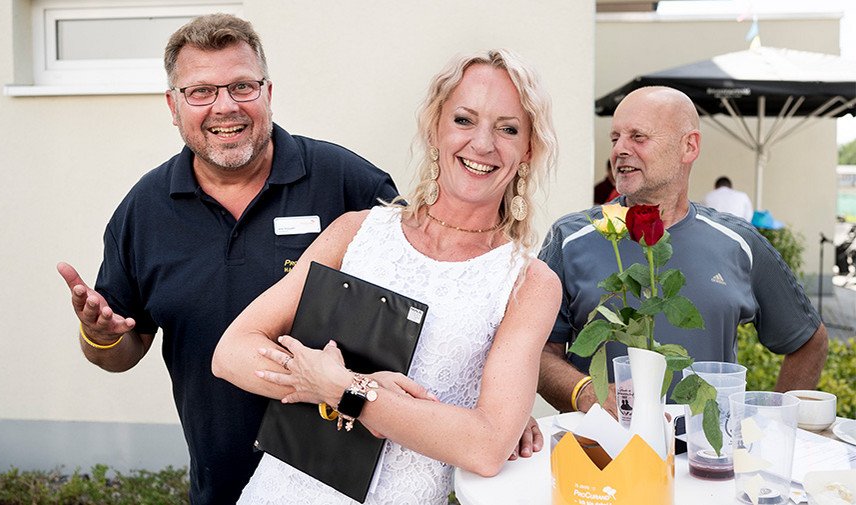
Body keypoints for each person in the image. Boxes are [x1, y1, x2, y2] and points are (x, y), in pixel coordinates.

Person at [56, 14, 398, 505]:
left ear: (268, 93)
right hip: (222, 486)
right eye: (200, 92)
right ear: (173, 106)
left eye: (242, 86)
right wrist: (101, 335)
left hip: (349, 482)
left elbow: (428, 295)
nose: (225, 107)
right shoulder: (144, 211)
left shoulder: (346, 183)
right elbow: (122, 351)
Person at [212, 49, 561, 504]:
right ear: (435, 128)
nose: (482, 144)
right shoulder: (356, 232)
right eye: (464, 120)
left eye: (507, 128)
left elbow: (487, 444)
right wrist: (325, 381)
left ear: (528, 150)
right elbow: (231, 352)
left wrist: (346, 388)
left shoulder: (528, 283)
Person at [537, 86, 828, 418]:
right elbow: (536, 353)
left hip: (707, 457)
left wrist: (775, 424)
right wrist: (587, 393)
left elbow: (809, 341)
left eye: (638, 137)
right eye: (615, 138)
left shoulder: (738, 243)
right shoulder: (571, 238)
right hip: (602, 457)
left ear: (689, 146)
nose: (620, 149)